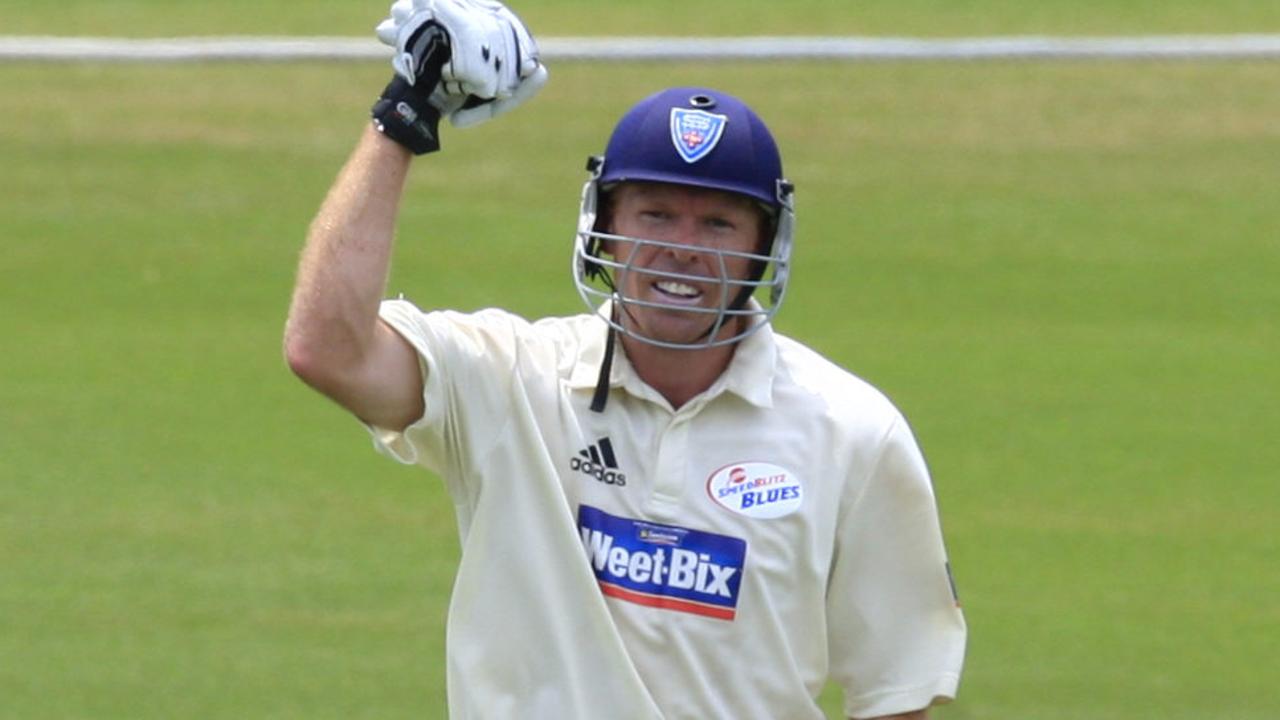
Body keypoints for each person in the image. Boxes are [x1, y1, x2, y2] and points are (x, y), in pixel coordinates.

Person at [284, 1, 967, 718]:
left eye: (719, 222)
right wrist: (404, 113)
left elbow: (898, 692)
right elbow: (328, 349)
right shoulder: (511, 379)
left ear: (766, 245)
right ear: (604, 225)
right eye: (655, 214)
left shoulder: (852, 432)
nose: (683, 247)